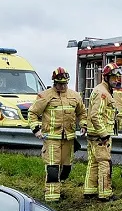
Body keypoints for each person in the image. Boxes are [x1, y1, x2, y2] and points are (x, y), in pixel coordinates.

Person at [27, 67, 87, 202]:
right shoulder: (45, 96)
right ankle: (52, 197)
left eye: (65, 83)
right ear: (54, 82)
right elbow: (32, 113)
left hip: (69, 138)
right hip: (51, 137)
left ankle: (59, 187)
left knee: (66, 168)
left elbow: (82, 112)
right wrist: (36, 130)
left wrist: (83, 124)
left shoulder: (75, 96)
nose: (63, 86)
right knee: (53, 167)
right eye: (60, 84)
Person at [84, 62, 121, 202]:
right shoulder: (103, 93)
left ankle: (90, 190)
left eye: (117, 77)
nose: (116, 80)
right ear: (106, 77)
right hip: (100, 136)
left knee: (93, 163)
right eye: (113, 77)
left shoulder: (102, 90)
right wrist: (104, 133)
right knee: (105, 163)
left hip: (94, 134)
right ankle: (105, 193)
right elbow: (95, 115)